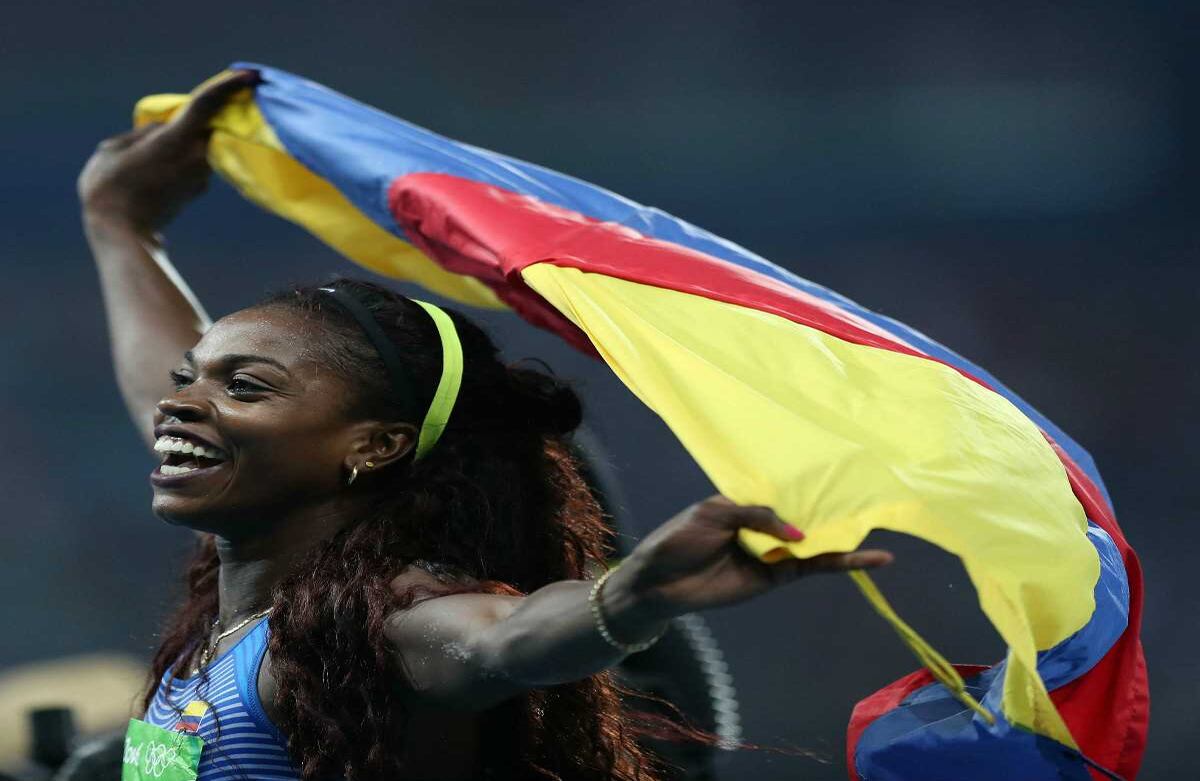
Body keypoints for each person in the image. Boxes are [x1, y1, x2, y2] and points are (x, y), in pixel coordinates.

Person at [77, 71, 893, 781]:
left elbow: (507, 636)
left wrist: (633, 595)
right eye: (191, 378)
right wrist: (119, 223)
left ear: (374, 444)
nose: (180, 403)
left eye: (245, 386)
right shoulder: (240, 608)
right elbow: (175, 393)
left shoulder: (376, 625)